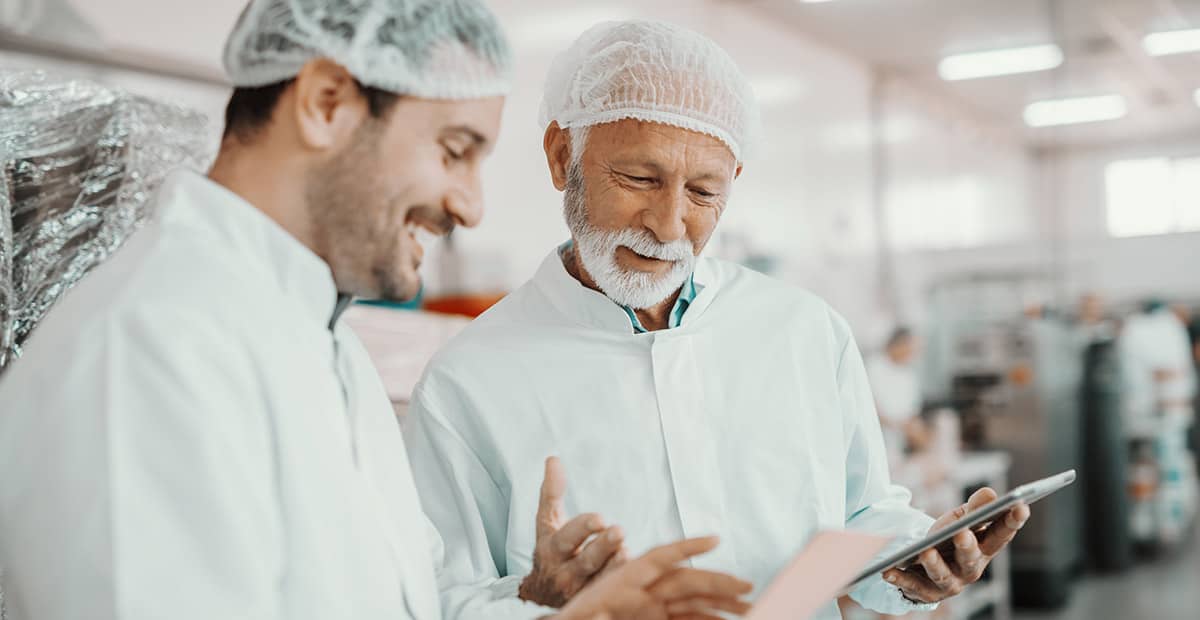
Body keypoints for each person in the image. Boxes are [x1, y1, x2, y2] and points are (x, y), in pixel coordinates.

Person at [0, 2, 753, 619]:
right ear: (327, 103)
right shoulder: (148, 345)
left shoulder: (324, 348)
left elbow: (408, 598)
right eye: (455, 150)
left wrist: (543, 603)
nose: (471, 203)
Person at [404, 19, 1030, 620]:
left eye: (704, 192)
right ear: (562, 153)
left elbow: (861, 514)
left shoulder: (804, 332)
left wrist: (916, 558)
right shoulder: (470, 381)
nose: (669, 224)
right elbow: (438, 598)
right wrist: (535, 599)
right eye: (639, 177)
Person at [866, 327, 929, 467]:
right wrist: (899, 425)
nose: (913, 353)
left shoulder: (909, 375)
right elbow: (870, 409)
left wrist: (915, 430)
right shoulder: (874, 366)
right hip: (875, 443)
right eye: (910, 348)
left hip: (898, 447)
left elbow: (912, 414)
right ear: (898, 345)